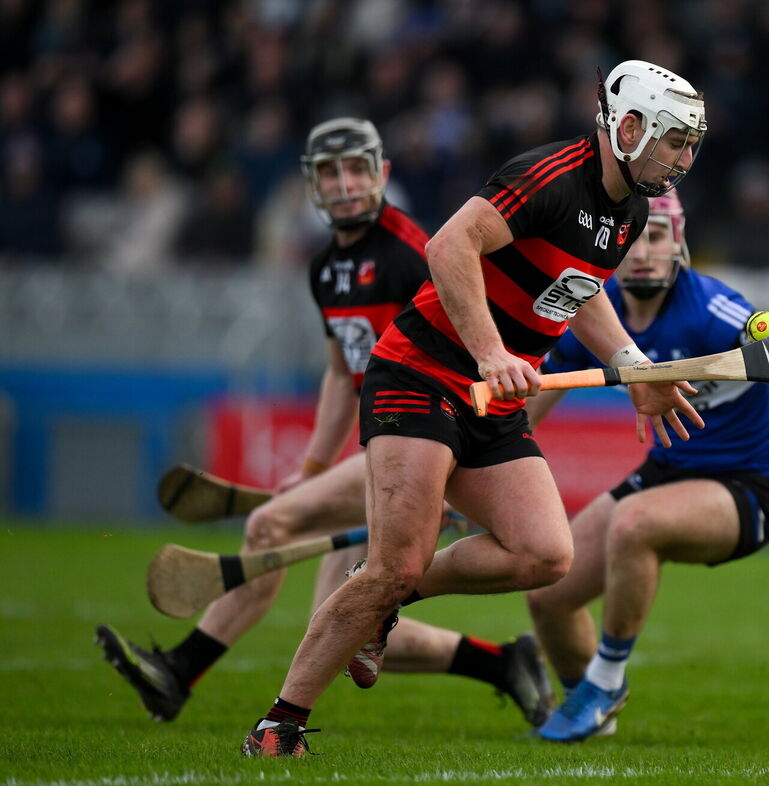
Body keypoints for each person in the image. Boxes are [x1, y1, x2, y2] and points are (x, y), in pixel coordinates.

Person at [242, 60, 708, 757]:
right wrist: (491, 351)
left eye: (691, 144)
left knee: (545, 552)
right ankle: (280, 724)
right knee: (396, 560)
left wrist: (633, 365)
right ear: (630, 126)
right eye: (675, 140)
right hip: (420, 372)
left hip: (490, 402)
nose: (685, 157)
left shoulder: (630, 210)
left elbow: (578, 291)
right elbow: (449, 244)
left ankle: (383, 601)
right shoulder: (551, 177)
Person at [96, 117, 553, 729]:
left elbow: (470, 354)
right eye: (330, 172)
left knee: (275, 530)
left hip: (423, 432)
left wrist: (447, 475)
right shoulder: (326, 268)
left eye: (358, 168)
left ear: (383, 173)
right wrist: (310, 467)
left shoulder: (413, 254)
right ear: (311, 185)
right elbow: (343, 374)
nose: (344, 184)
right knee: (343, 616)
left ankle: (183, 674)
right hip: (388, 435)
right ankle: (504, 664)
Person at [523, 189, 769, 742]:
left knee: (635, 526)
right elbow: (531, 409)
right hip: (665, 476)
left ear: (679, 245)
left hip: (748, 488)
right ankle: (591, 713)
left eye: (658, 237)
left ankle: (606, 682)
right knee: (548, 594)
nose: (645, 251)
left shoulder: (718, 312)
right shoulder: (597, 313)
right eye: (635, 239)